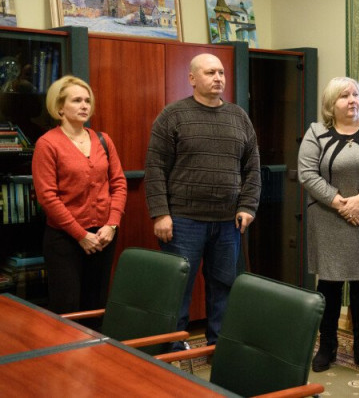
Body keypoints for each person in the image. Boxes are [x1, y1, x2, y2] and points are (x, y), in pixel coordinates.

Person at [144, 53, 261, 348]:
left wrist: (248, 206)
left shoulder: (239, 117)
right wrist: (160, 213)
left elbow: (252, 168)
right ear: (192, 78)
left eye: (221, 72)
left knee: (225, 287)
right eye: (210, 72)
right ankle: (172, 350)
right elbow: (155, 167)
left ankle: (218, 348)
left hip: (228, 222)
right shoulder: (173, 115)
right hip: (182, 221)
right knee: (177, 289)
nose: (218, 78)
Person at [298, 77, 359, 375]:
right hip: (328, 218)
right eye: (344, 96)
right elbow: (306, 173)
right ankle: (327, 344)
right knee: (329, 284)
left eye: (356, 94)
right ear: (331, 104)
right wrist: (341, 204)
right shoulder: (316, 132)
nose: (353, 100)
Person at [32, 75, 127, 318]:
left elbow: (118, 184)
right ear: (59, 108)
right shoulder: (47, 144)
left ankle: (96, 344)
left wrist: (112, 224)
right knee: (68, 308)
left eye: (87, 100)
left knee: (97, 307)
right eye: (76, 100)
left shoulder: (103, 140)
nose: (84, 105)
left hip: (104, 236)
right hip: (65, 239)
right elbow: (47, 197)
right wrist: (81, 235)